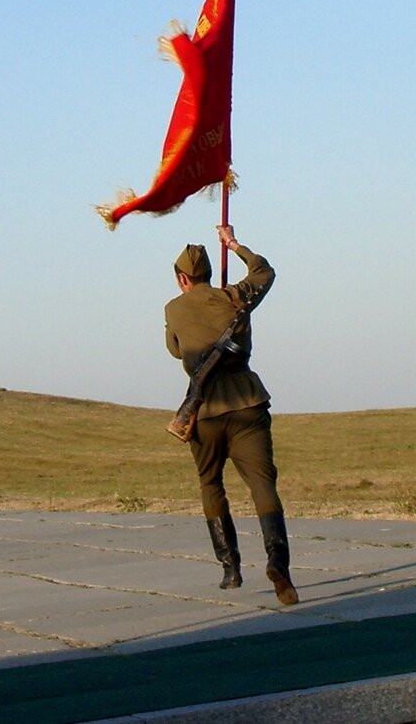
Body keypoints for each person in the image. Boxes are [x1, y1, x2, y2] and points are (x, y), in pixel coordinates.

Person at [164, 223, 299, 605]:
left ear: (181, 279)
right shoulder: (235, 296)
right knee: (262, 485)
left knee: (211, 484)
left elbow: (176, 351)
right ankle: (278, 564)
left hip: (203, 410)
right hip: (247, 400)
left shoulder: (173, 309)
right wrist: (235, 245)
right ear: (206, 273)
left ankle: (230, 567)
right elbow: (265, 272)